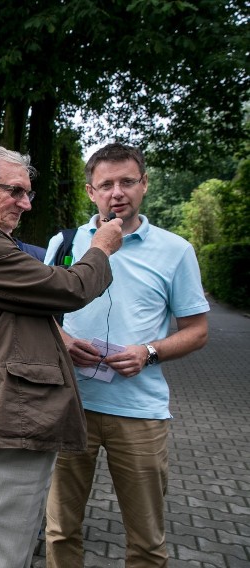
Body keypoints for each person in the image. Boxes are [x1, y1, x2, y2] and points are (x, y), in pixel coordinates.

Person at [0, 146, 124, 568]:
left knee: (7, 553)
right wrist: (101, 248)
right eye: (16, 191)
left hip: (6, 425)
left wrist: (59, 339)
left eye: (29, 193)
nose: (26, 203)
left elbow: (8, 311)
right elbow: (68, 288)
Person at [44, 142, 209, 567]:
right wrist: (60, 340)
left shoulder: (176, 251)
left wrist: (149, 352)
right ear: (90, 192)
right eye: (106, 184)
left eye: (127, 182)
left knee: (147, 541)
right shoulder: (64, 244)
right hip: (70, 406)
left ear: (144, 185)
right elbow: (39, 316)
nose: (117, 192)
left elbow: (197, 331)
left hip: (140, 413)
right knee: (61, 532)